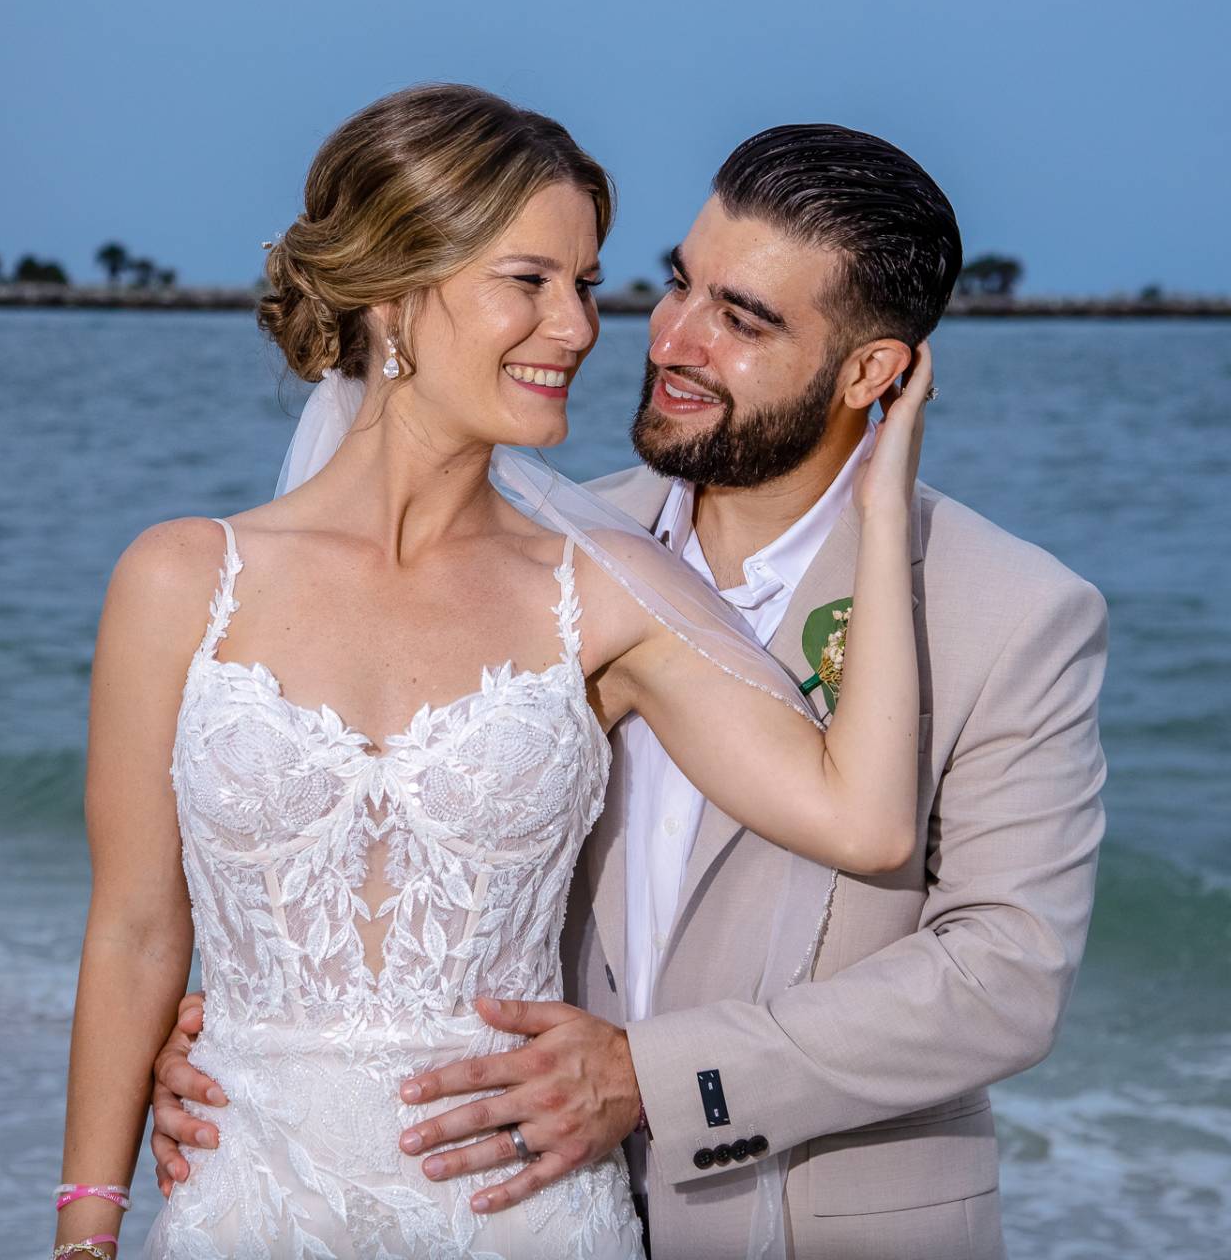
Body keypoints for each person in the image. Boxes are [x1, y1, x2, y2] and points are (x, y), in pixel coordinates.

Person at [149, 123, 1109, 1259]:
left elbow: (1004, 975)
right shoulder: (548, 542)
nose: (670, 339)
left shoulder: (1009, 609)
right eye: (677, 284)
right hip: (512, 1203)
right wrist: (249, 1048)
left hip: (822, 1224)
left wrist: (651, 1078)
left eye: (742, 318)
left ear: (871, 372)